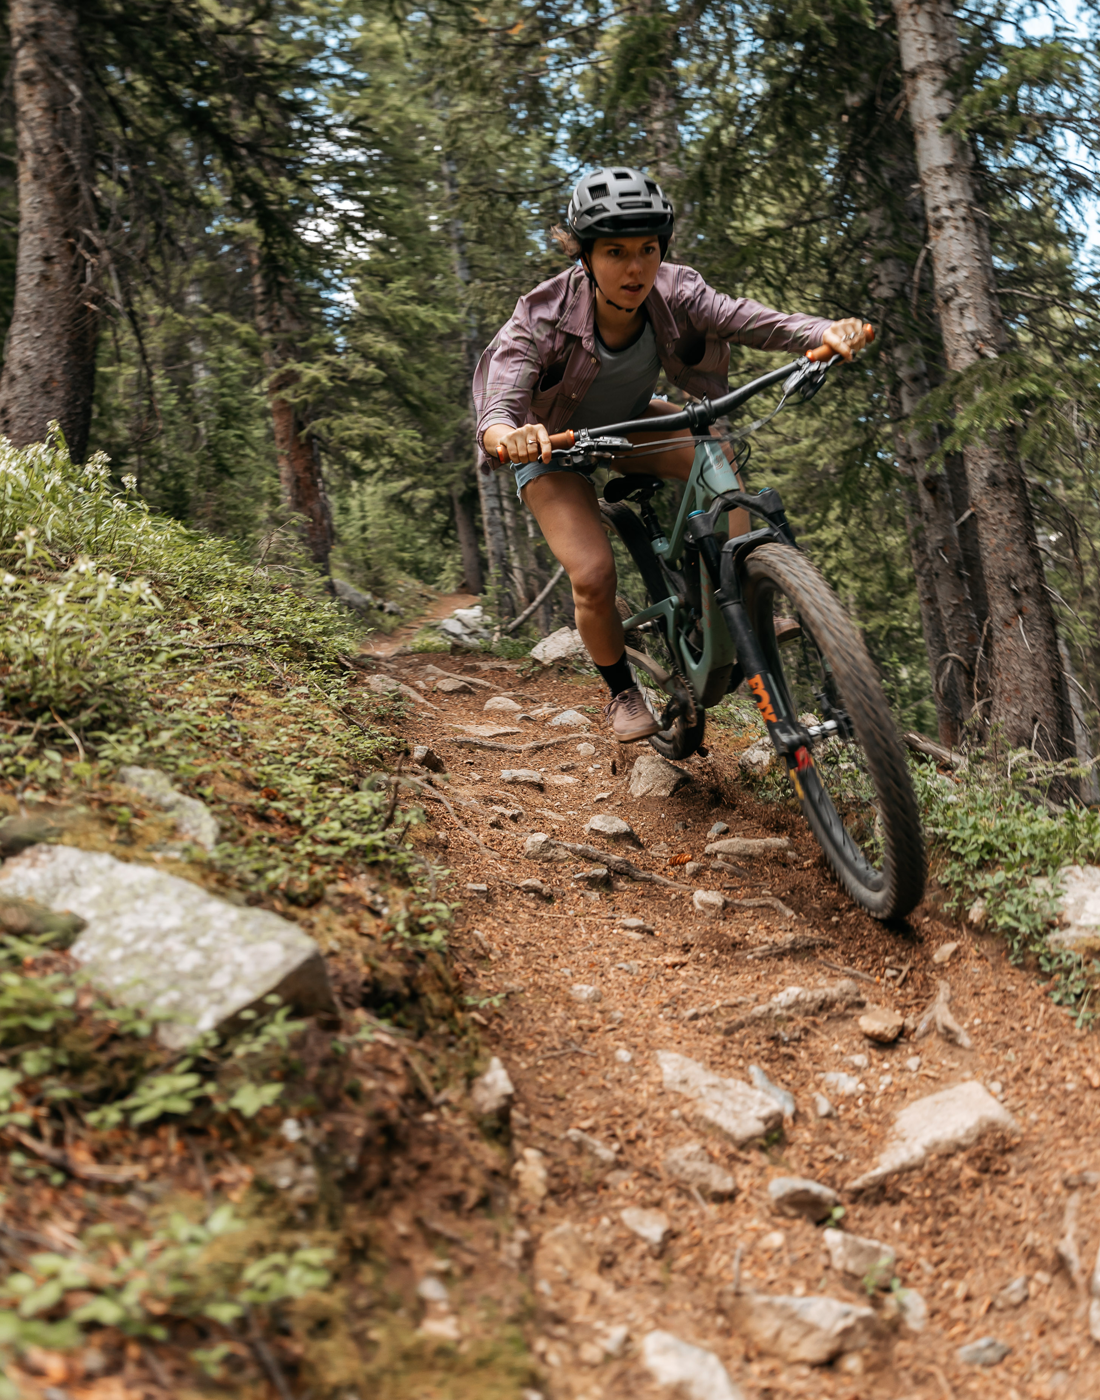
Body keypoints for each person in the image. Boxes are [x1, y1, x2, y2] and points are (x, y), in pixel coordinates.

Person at [473, 166, 871, 741]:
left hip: (632, 423)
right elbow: (499, 403)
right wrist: (509, 435)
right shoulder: (540, 317)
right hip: (551, 445)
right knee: (591, 573)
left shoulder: (675, 289)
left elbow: (750, 320)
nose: (635, 268)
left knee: (720, 471)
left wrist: (823, 332)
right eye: (614, 252)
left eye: (647, 250)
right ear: (583, 256)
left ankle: (732, 599)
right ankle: (620, 692)